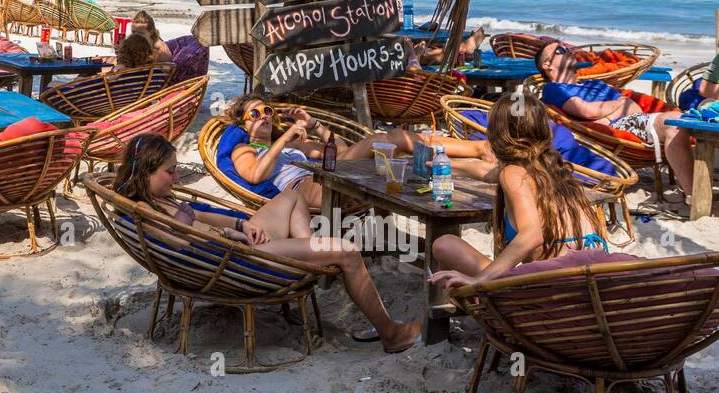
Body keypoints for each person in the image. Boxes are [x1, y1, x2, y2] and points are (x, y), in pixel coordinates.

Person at [114, 134, 420, 353]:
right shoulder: (146, 213)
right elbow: (183, 240)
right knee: (348, 252)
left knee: (291, 196)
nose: (176, 175)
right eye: (170, 170)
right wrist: (229, 237)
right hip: (233, 261)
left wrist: (241, 224)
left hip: (229, 249)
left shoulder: (156, 199)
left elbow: (202, 217)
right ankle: (390, 334)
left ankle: (307, 255)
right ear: (145, 172)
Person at [428, 93, 613, 291]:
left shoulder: (512, 173)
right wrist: (444, 164)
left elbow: (532, 234)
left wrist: (480, 279)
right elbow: (487, 172)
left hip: (550, 289)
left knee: (444, 244)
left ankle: (464, 311)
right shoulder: (550, 166)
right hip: (586, 282)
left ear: (498, 134)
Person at [220, 93, 497, 211]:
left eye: (267, 111)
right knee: (393, 149)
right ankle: (476, 156)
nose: (264, 116)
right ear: (243, 123)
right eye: (254, 113)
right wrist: (287, 136)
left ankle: (478, 163)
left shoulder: (294, 146)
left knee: (396, 151)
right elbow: (256, 175)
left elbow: (339, 153)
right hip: (304, 189)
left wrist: (315, 126)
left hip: (334, 175)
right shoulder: (244, 149)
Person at [535, 40, 692, 203]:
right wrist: (618, 105)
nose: (568, 51)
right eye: (560, 50)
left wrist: (606, 114)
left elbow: (633, 108)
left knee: (683, 122)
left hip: (631, 121)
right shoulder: (554, 88)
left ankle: (695, 190)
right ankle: (694, 196)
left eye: (568, 48)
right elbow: (587, 111)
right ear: (547, 65)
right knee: (674, 122)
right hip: (616, 131)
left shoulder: (595, 84)